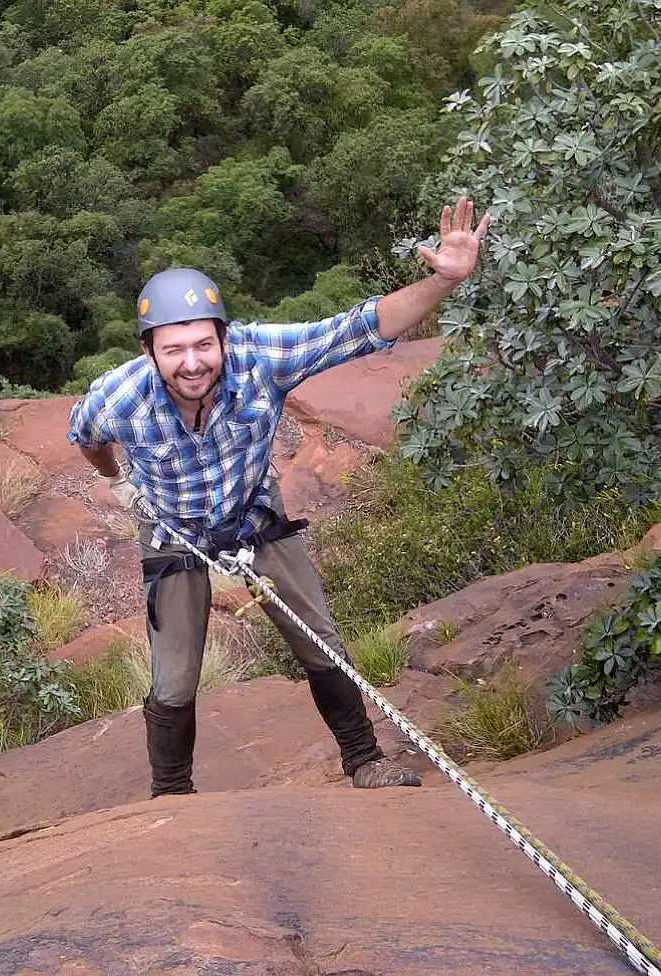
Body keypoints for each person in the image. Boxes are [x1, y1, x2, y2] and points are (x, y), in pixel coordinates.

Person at [67, 197, 491, 796]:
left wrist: (443, 281)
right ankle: (172, 794)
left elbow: (359, 328)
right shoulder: (120, 397)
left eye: (203, 345)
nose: (192, 363)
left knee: (318, 640)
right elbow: (85, 435)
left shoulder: (261, 357)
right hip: (174, 530)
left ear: (224, 337)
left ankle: (364, 760)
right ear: (148, 351)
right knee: (175, 677)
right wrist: (117, 479)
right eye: (173, 349)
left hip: (254, 517)